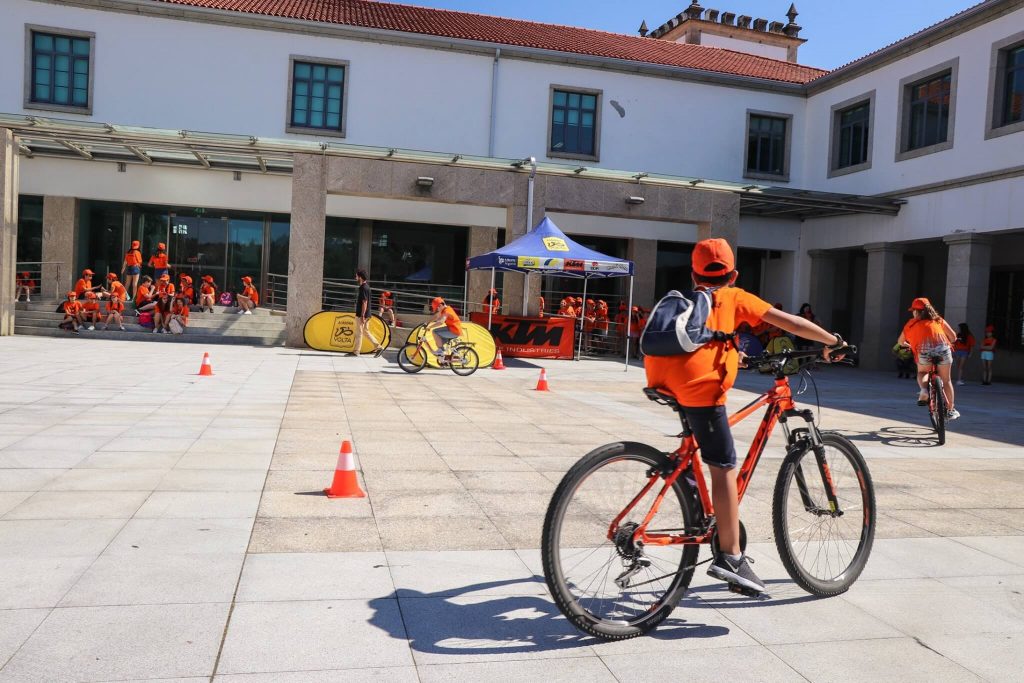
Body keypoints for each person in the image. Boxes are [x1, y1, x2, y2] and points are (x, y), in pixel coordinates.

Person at [645, 238, 845, 595]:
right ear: (734, 274)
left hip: (660, 377)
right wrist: (833, 341)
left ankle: (696, 506)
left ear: (693, 274)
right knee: (722, 465)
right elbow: (792, 323)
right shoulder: (736, 297)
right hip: (699, 386)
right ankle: (731, 556)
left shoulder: (687, 300)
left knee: (695, 449)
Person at [896, 297, 959, 420]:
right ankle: (950, 410)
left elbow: (900, 342)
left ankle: (924, 390)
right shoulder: (938, 320)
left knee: (922, 372)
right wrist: (949, 341)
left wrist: (908, 345)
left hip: (924, 352)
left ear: (916, 311)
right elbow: (953, 337)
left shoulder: (911, 323)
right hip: (943, 351)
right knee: (946, 381)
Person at [353, 269, 385, 357]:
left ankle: (356, 352)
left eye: (356, 276)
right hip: (367, 314)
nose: (355, 277)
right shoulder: (366, 287)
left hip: (362, 314)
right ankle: (379, 347)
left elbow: (364, 302)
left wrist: (362, 315)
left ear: (360, 277)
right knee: (365, 332)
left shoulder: (363, 288)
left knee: (359, 333)